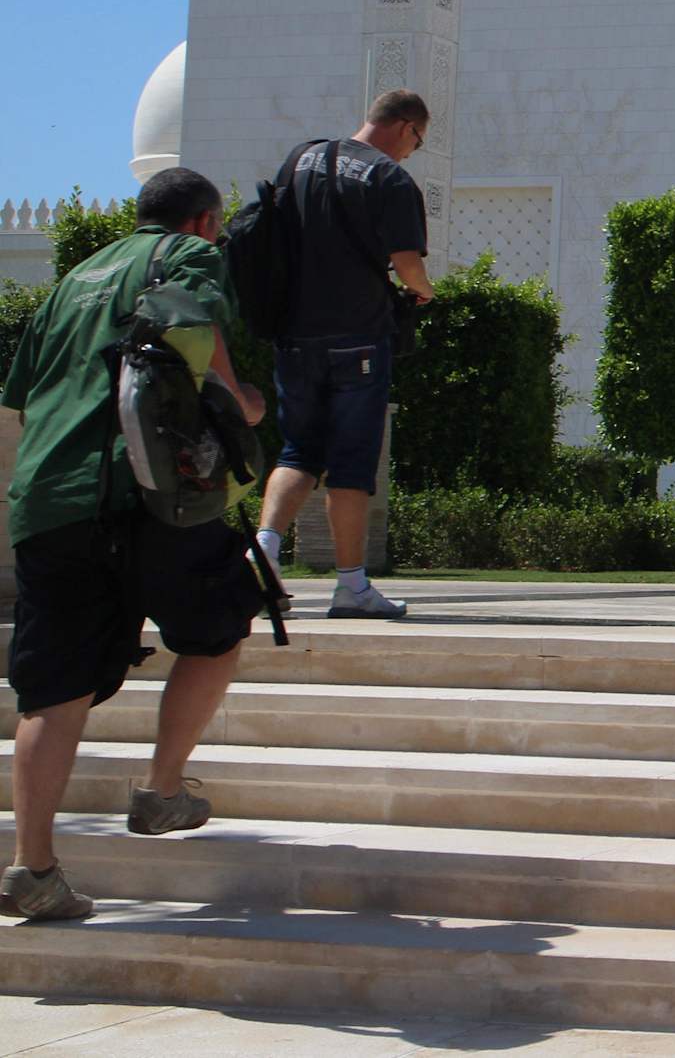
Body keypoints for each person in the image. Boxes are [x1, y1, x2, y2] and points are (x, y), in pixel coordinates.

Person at [4, 167, 269, 921]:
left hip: (49, 498)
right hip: (148, 489)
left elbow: (22, 398)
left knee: (52, 689)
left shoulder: (71, 281)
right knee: (220, 625)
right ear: (205, 222)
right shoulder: (189, 254)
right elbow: (195, 329)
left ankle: (33, 869)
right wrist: (241, 401)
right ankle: (161, 790)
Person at [251, 90, 435, 620]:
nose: (412, 152)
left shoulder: (300, 159)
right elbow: (406, 262)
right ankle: (351, 586)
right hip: (358, 337)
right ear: (405, 127)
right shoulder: (390, 178)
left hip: (294, 335)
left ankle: (263, 548)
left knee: (298, 452)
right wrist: (424, 291)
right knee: (351, 464)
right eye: (418, 142)